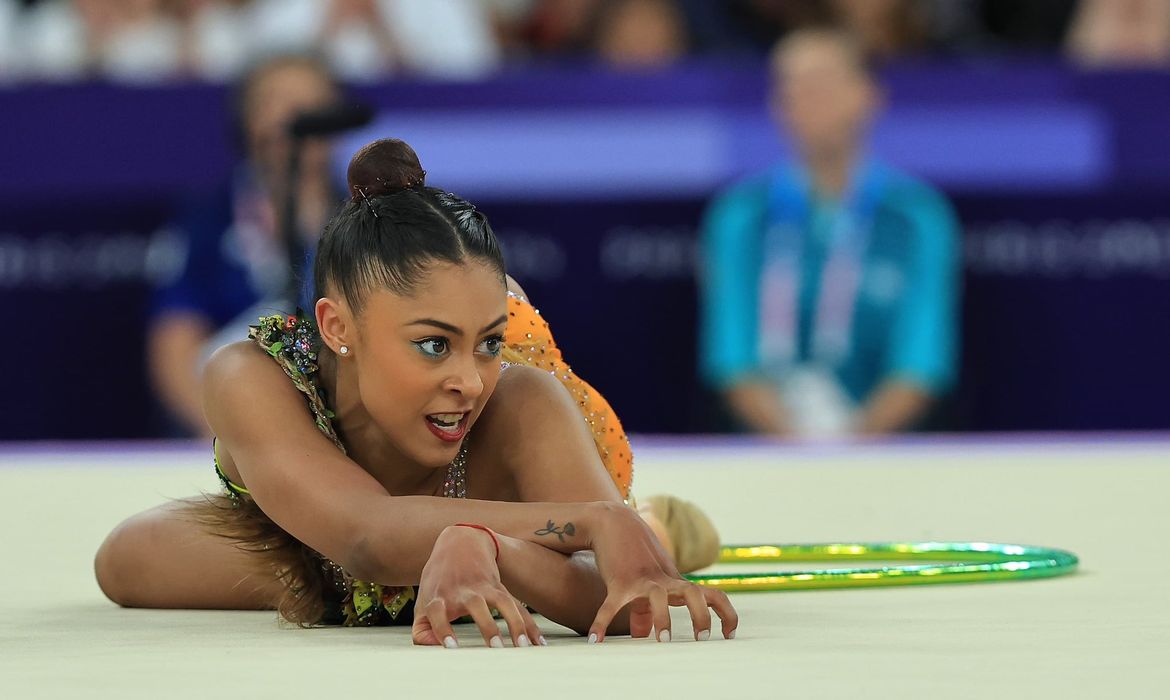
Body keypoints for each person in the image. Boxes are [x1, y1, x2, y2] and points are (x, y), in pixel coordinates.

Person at [96, 138, 733, 647]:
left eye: (487, 342)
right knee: (126, 561)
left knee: (621, 535)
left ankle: (653, 524)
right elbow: (367, 536)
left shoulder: (519, 398)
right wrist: (590, 523)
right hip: (315, 545)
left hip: (510, 496)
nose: (469, 378)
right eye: (433, 345)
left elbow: (615, 604)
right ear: (336, 327)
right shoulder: (249, 375)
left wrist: (494, 548)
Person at [698, 28, 960, 439]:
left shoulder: (917, 216)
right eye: (792, 86)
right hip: (765, 458)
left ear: (869, 94)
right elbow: (733, 359)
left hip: (886, 460)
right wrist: (799, 450)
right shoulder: (740, 215)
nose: (808, 98)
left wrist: (849, 451)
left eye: (824, 82)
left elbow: (921, 361)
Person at [148, 54, 341, 436]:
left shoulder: (372, 216)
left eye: (310, 104)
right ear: (246, 120)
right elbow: (174, 346)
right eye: (275, 102)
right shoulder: (205, 220)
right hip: (231, 427)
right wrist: (224, 442)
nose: (293, 119)